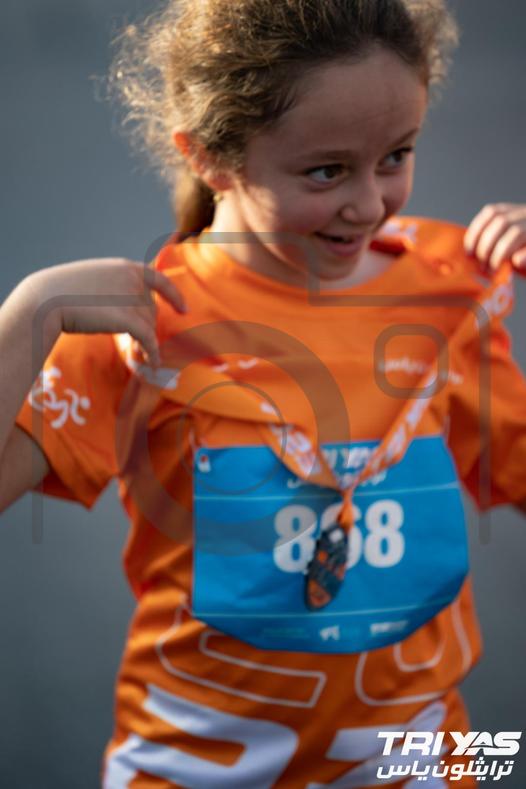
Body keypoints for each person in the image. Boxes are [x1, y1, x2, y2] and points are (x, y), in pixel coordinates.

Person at [0, 0, 525, 786]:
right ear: (211, 156)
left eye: (397, 155)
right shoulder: (139, 319)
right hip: (189, 765)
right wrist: (26, 314)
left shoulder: (454, 293)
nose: (369, 203)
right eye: (326, 170)